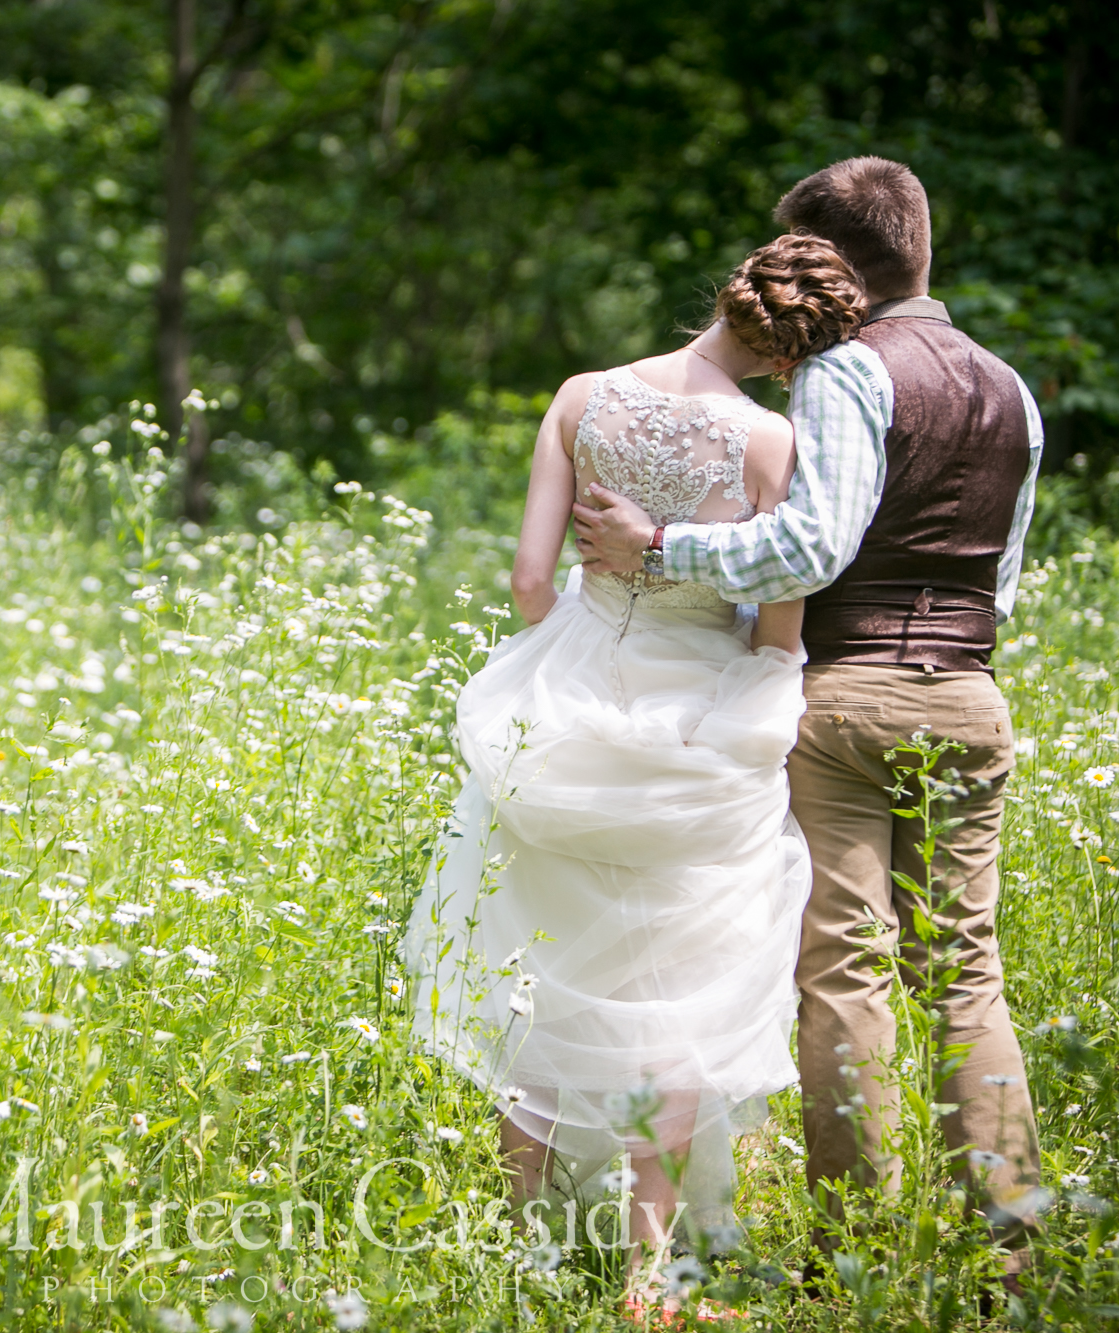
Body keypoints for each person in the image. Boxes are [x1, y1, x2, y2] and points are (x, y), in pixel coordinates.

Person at [570, 156, 1046, 1288]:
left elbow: (811, 547)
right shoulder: (1008, 387)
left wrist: (664, 549)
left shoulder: (846, 369)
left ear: (839, 260)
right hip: (968, 691)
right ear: (922, 245)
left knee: (843, 969)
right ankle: (1012, 1246)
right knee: (965, 969)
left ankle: (856, 1256)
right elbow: (1005, 574)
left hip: (847, 693)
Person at [402, 233, 867, 1309]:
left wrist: (581, 630)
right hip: (694, 733)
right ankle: (648, 1270)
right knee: (679, 994)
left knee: (536, 970)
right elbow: (776, 641)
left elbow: (528, 580)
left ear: (725, 296)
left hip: (568, 704)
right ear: (796, 353)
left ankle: (520, 1248)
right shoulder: (768, 443)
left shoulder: (581, 396)